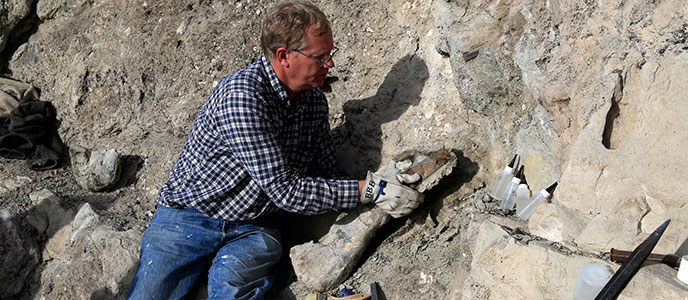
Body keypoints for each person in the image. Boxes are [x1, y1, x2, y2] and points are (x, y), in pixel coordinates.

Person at [127, 2, 422, 299]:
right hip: (188, 217)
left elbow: (324, 173)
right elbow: (286, 191)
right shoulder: (243, 96)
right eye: (320, 57)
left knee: (235, 292)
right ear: (284, 56)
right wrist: (369, 189)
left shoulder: (313, 102)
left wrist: (383, 181)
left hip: (253, 227)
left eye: (330, 55)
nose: (330, 64)